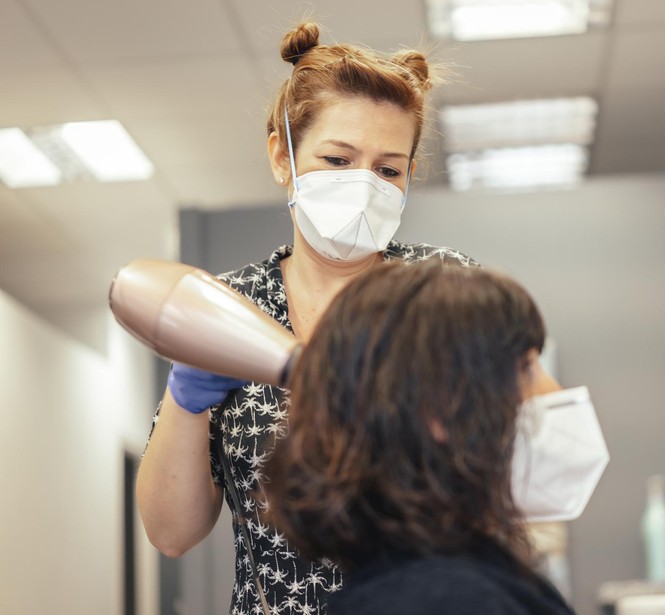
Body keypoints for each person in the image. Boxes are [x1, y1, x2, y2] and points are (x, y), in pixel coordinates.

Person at [135, 22, 480, 614]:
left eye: (388, 169)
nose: (364, 185)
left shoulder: (442, 288)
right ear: (282, 156)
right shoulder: (225, 309)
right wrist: (187, 397)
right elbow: (171, 534)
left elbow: (513, 470)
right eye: (338, 159)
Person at [264, 261, 574, 615]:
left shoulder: (442, 584)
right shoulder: (449, 602)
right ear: (440, 409)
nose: (555, 392)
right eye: (526, 368)